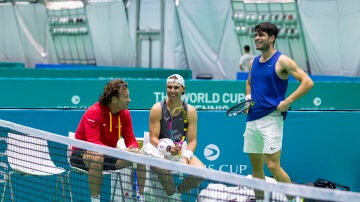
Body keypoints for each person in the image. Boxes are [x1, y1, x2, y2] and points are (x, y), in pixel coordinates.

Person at [243, 22, 314, 200]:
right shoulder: (253, 62)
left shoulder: (282, 61)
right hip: (252, 119)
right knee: (256, 169)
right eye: (256, 35)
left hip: (272, 119)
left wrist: (288, 100)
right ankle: (260, 199)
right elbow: (249, 83)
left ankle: (295, 199)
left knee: (273, 166)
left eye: (261, 35)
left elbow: (307, 82)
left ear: (272, 38)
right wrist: (247, 100)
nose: (257, 38)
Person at [70, 79, 146, 202]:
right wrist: (120, 152)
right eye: (126, 97)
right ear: (114, 99)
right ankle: (95, 200)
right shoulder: (94, 112)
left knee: (141, 157)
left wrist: (134, 149)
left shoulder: (125, 114)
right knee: (97, 157)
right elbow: (94, 144)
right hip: (83, 154)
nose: (129, 100)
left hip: (109, 154)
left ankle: (140, 197)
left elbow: (131, 139)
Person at [148, 74, 205, 199]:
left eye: (176, 87)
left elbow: (193, 140)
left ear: (183, 89)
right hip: (160, 151)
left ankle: (175, 196)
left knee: (201, 172)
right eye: (169, 87)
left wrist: (185, 156)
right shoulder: (157, 108)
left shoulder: (190, 111)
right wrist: (168, 149)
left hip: (181, 150)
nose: (172, 91)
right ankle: (174, 198)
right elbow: (153, 138)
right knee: (162, 168)